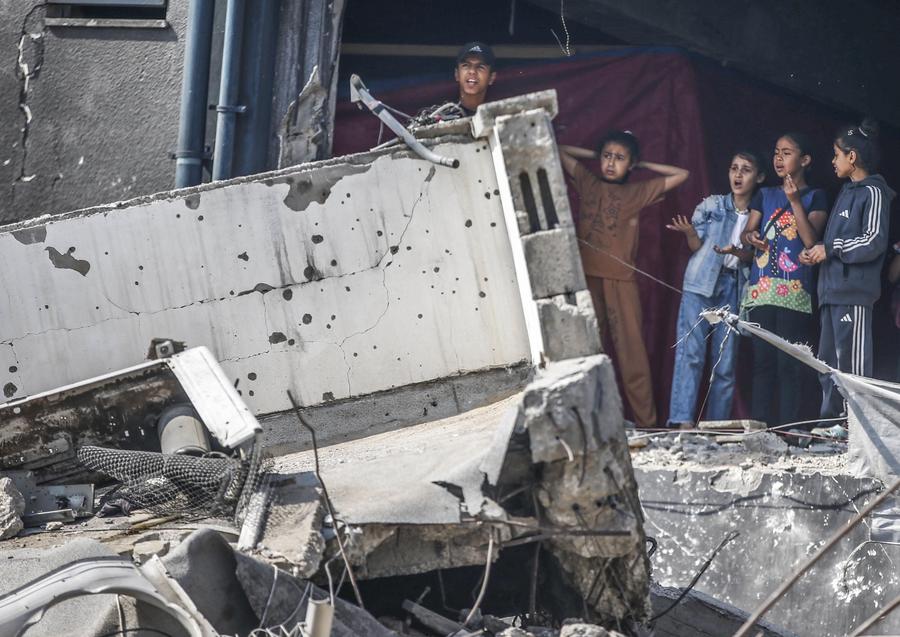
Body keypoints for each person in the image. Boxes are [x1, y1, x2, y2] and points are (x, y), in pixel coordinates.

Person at [559, 131, 690, 427]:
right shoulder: (588, 182)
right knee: (585, 352)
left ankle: (647, 424)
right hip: (586, 280)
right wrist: (595, 154)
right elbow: (559, 149)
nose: (610, 163)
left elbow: (682, 174)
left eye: (619, 158)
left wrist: (642, 165)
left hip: (621, 281)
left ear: (631, 164)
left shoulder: (636, 192)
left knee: (632, 355)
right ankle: (586, 424)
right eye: (607, 156)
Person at [799, 119, 895, 422]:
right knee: (828, 362)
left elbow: (873, 240)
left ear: (852, 157)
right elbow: (835, 244)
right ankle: (831, 423)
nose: (833, 161)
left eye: (836, 154)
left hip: (854, 293)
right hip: (831, 291)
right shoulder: (846, 191)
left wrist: (831, 248)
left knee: (851, 364)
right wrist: (817, 251)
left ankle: (853, 425)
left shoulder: (874, 192)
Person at [666, 150, 766, 428]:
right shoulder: (712, 205)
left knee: (725, 363)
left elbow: (753, 256)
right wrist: (689, 233)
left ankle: (715, 426)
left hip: (734, 286)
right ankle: (682, 421)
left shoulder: (760, 214)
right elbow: (696, 246)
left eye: (746, 169)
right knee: (690, 353)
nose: (738, 174)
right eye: (734, 168)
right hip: (701, 283)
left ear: (759, 177)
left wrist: (736, 251)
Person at [741, 132, 828, 428]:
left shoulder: (816, 196)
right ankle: (760, 429)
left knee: (788, 364)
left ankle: (788, 430)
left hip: (795, 292)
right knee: (762, 363)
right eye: (777, 152)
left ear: (805, 160)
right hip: (762, 291)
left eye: (787, 153)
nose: (779, 158)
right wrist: (752, 237)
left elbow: (810, 240)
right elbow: (748, 232)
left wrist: (794, 201)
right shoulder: (764, 194)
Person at [411, 42, 496, 127]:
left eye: (480, 67)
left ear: (491, 77)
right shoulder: (437, 118)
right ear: (457, 74)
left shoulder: (498, 120)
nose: (472, 71)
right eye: (466, 65)